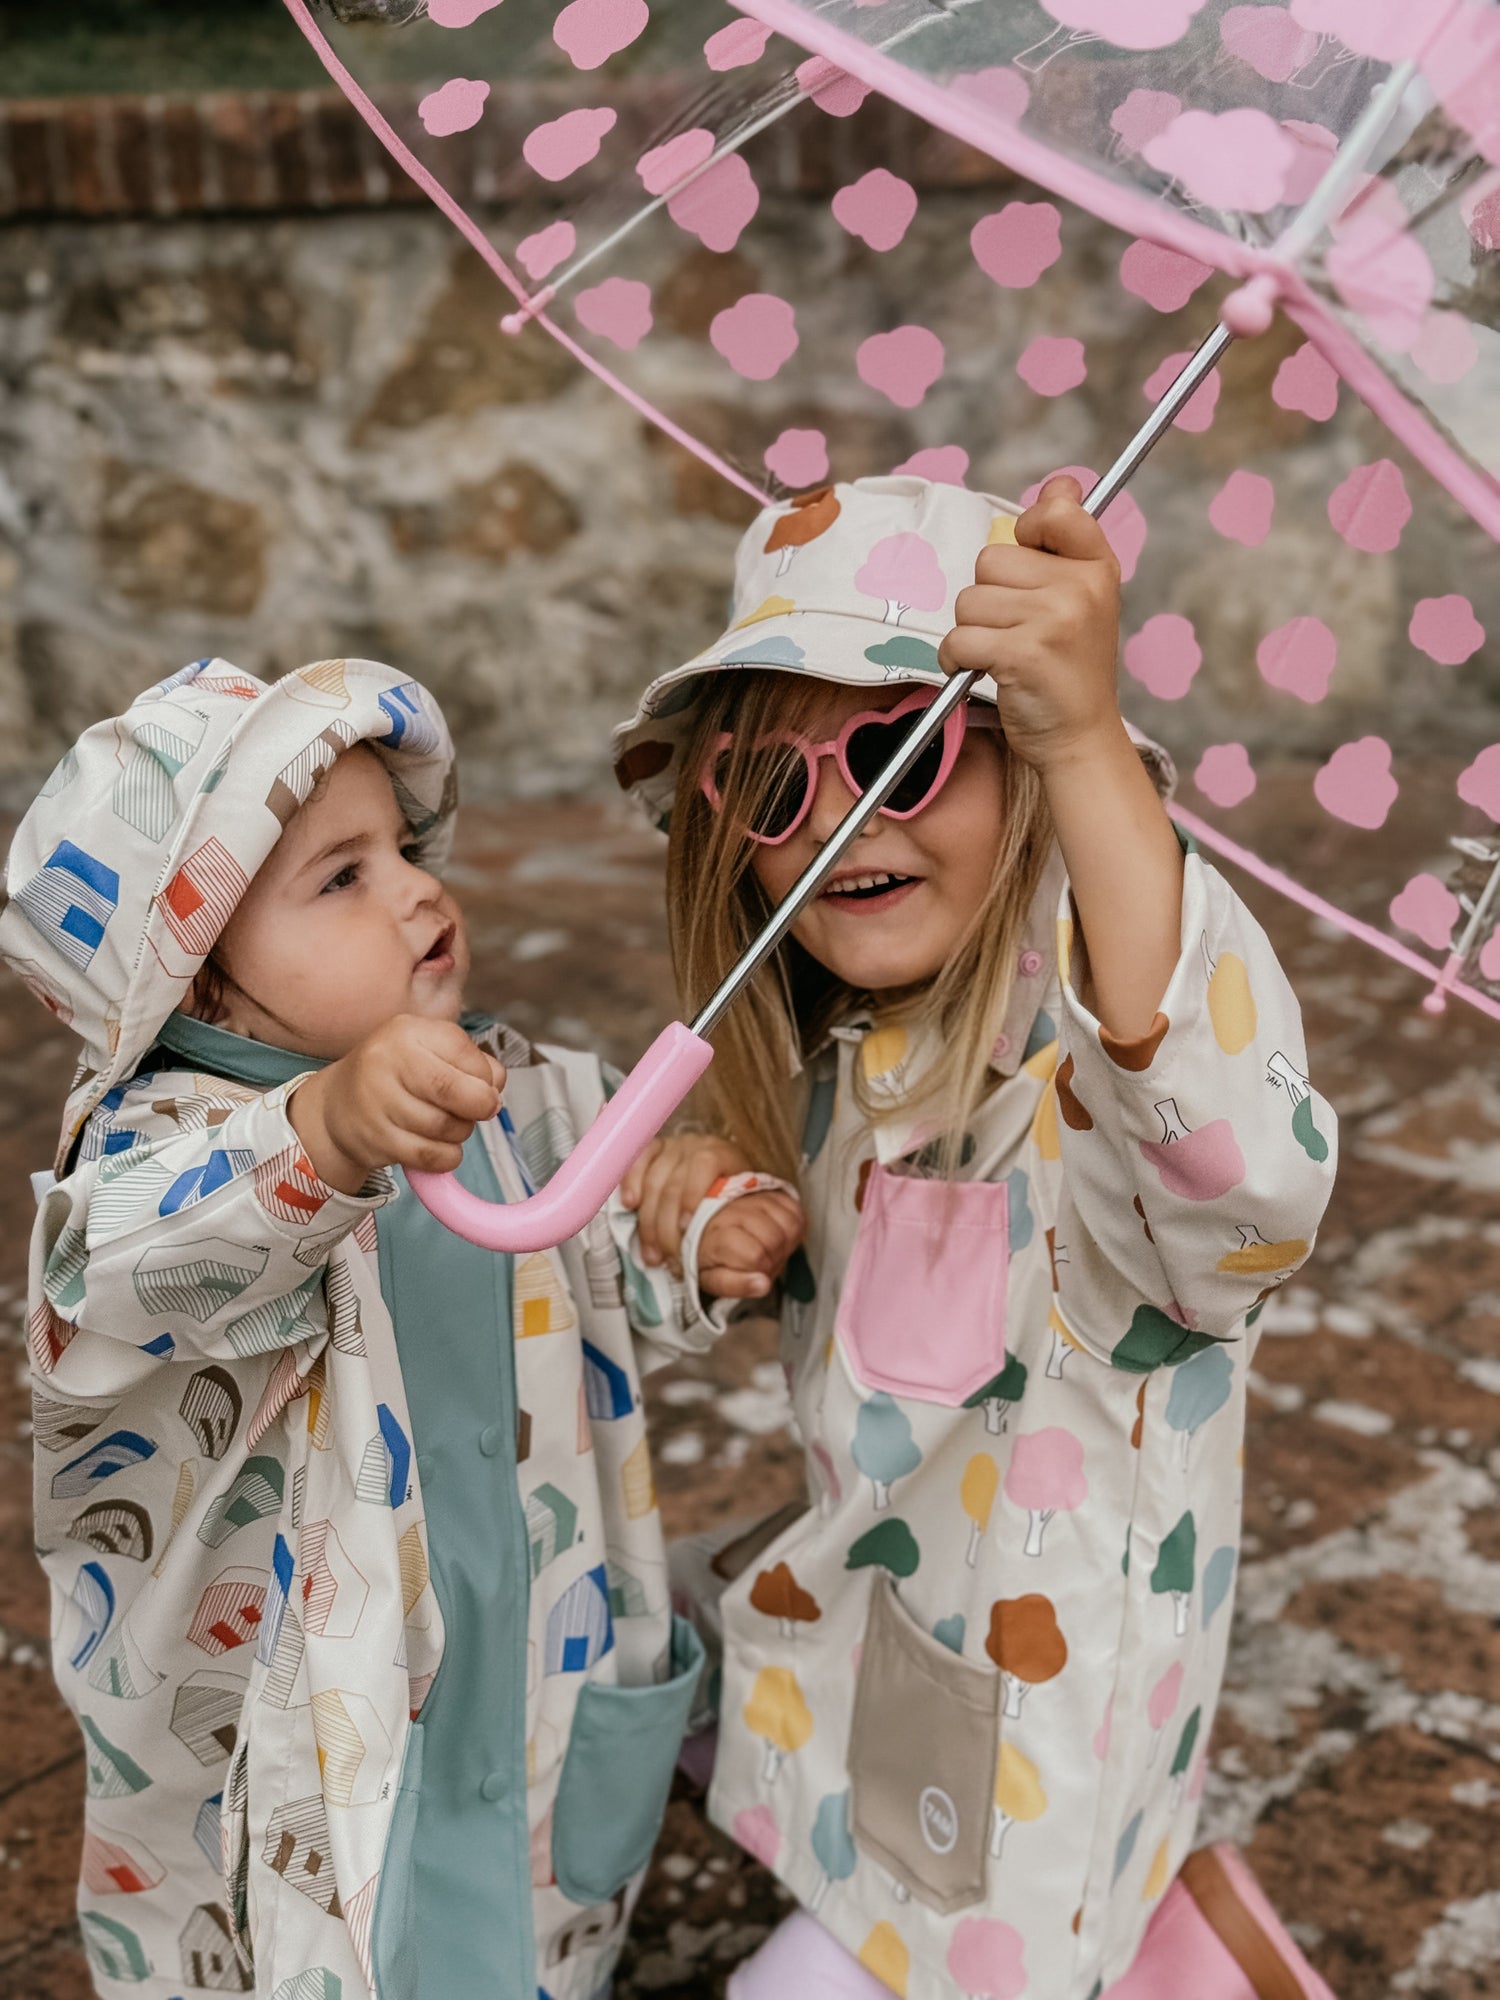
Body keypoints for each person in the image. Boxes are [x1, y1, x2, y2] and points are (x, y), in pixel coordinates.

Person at [611, 475, 1340, 1999]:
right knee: (629, 1627)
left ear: (1025, 768)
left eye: (901, 751)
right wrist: (706, 1208)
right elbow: (786, 1250)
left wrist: (1082, 739)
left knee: (881, 1954)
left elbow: (1244, 1190)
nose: (837, 821)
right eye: (768, 787)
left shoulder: (1107, 1038)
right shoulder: (839, 1043)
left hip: (1032, 1707)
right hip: (870, 1593)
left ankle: (1156, 1961)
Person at [2, 657, 801, 2000]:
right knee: (325, 1930)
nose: (420, 889)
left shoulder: (514, 1084)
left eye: (402, 848)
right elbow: (129, 1268)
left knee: (512, 1871)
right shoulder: (165, 1153)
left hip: (513, 1604)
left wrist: (702, 1222)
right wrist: (324, 1128)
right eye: (342, 878)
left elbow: (614, 1208)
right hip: (307, 1685)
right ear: (198, 990)